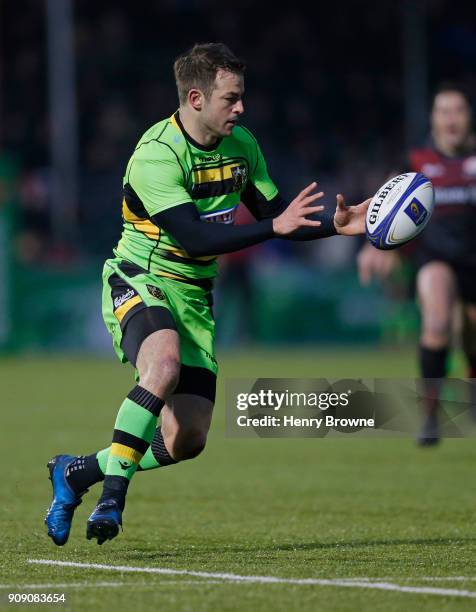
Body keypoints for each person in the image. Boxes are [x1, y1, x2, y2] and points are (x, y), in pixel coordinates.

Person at [45, 43, 369, 546]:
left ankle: (75, 472)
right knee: (164, 366)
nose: (240, 108)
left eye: (241, 98)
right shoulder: (156, 155)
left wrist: (337, 225)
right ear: (195, 98)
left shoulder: (243, 147)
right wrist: (274, 229)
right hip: (140, 275)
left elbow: (279, 218)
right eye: (231, 99)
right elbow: (197, 237)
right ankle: (112, 498)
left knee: (186, 439)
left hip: (194, 293)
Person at [357, 84, 476, 445]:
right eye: (444, 111)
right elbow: (387, 210)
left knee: (472, 338)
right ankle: (430, 416)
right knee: (437, 321)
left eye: (458, 110)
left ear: (469, 117)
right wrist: (376, 246)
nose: (451, 118)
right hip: (435, 259)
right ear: (433, 119)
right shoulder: (416, 163)